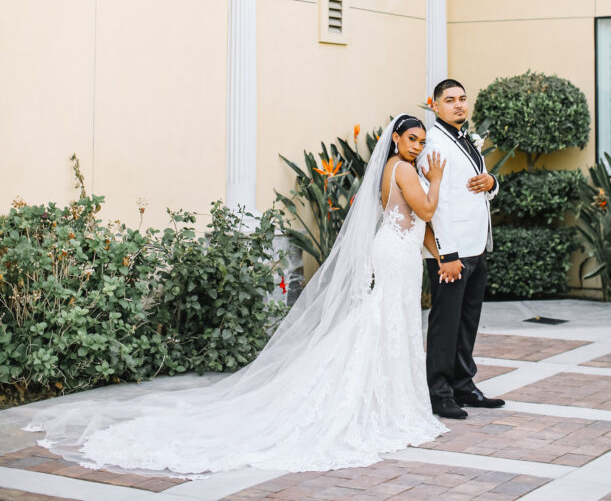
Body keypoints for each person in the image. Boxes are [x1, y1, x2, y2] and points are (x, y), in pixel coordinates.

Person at [26, 116, 450, 476]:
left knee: (390, 322)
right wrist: (436, 180)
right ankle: (386, 405)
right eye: (412, 140)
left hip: (397, 253)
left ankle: (387, 402)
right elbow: (426, 211)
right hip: (396, 256)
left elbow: (413, 221)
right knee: (390, 322)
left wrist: (439, 248)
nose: (418, 147)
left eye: (421, 142)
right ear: (396, 139)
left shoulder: (390, 168)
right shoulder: (407, 169)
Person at [418, 79, 504, 420]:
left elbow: (478, 186)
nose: (458, 105)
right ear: (435, 106)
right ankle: (439, 393)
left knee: (468, 321)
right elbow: (434, 205)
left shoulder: (467, 140)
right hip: (451, 254)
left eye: (463, 99)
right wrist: (447, 254)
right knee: (445, 323)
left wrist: (492, 182)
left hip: (475, 247)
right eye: (450, 100)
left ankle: (463, 385)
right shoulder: (433, 146)